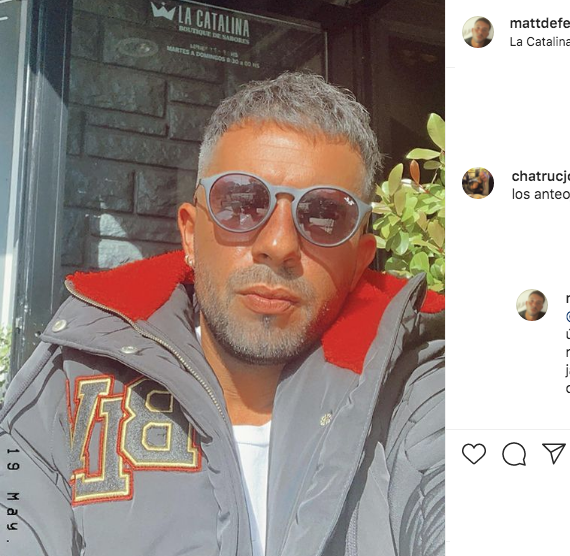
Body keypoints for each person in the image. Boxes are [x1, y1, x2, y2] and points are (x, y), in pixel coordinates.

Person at [0, 73, 445, 556]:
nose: (279, 244)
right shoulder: (65, 388)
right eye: (241, 203)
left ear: (360, 261)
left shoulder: (417, 384)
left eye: (324, 214)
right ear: (191, 236)